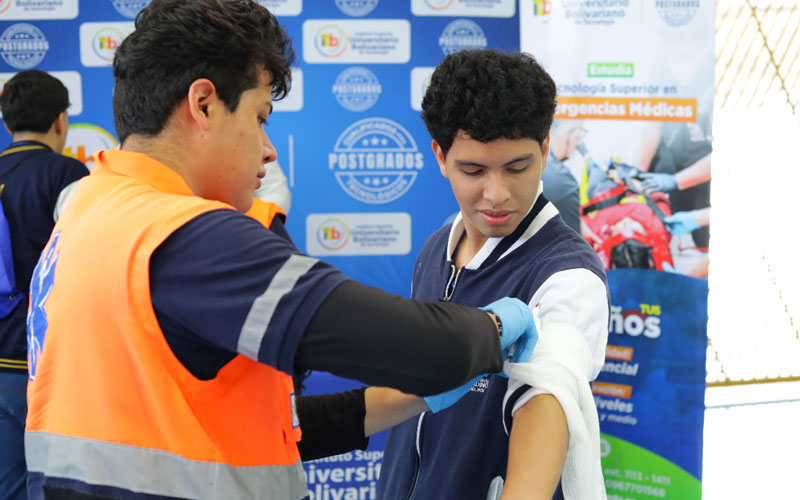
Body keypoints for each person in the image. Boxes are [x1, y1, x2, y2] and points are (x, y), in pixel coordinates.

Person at [23, 2, 536, 499]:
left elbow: (257, 424)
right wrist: (493, 328)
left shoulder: (89, 213)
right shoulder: (184, 237)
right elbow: (425, 348)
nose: (268, 148)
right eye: (260, 116)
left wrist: (414, 397)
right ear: (204, 104)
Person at [377, 50, 610, 500]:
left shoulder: (567, 278)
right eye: (473, 170)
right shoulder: (435, 249)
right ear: (440, 157)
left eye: (517, 168)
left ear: (544, 151)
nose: (496, 194)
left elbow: (549, 392)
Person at [0, 70, 88, 500]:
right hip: (42, 365)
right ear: (60, 121)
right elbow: (89, 262)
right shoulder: (65, 173)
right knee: (51, 487)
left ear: (7, 122)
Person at [542, 120, 584, 233]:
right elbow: (572, 246)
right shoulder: (564, 183)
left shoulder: (528, 161)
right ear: (569, 134)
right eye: (580, 133)